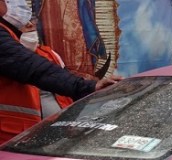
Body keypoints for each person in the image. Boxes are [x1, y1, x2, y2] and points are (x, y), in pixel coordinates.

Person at [0, 0, 118, 144]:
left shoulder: (45, 53)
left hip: (37, 139)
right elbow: (33, 68)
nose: (17, 4)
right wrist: (87, 87)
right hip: (11, 143)